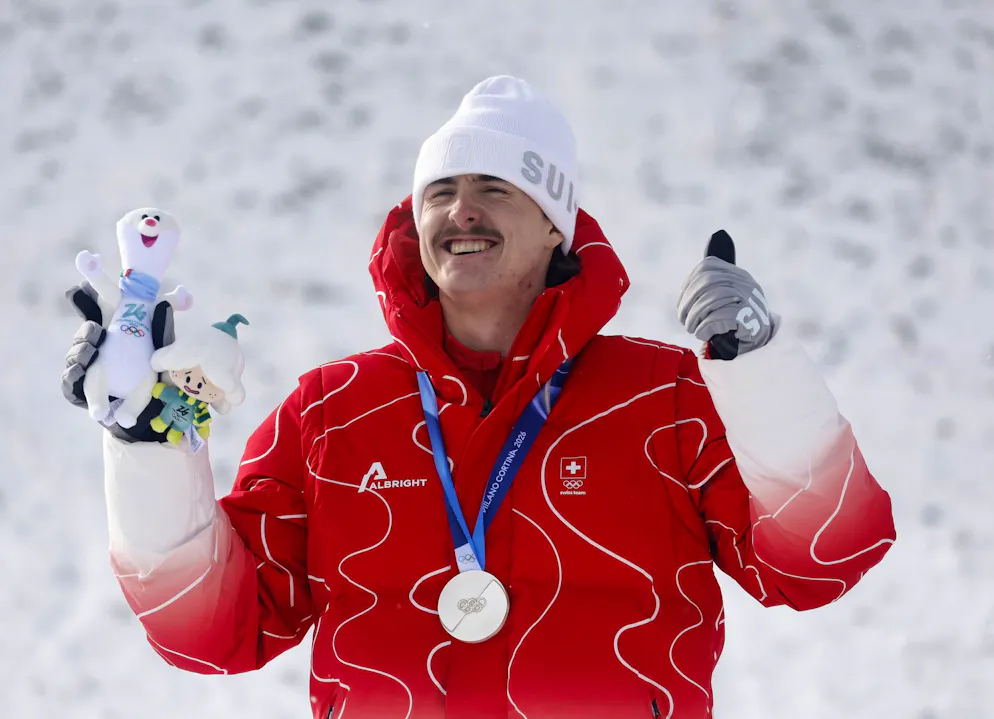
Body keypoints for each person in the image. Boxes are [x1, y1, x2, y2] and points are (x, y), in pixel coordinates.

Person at [62, 76, 896, 719]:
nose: (461, 209)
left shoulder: (665, 395)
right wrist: (146, 447)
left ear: (556, 226)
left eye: (496, 188)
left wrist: (762, 370)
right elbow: (212, 629)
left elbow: (823, 559)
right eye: (440, 191)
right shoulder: (332, 410)